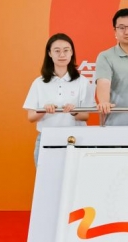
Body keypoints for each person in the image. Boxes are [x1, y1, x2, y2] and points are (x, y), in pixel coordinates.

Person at [23, 33, 91, 165]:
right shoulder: (39, 82)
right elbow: (31, 117)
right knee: (46, 177)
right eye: (57, 51)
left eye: (66, 50)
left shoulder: (82, 81)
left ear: (72, 53)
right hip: (47, 138)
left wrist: (74, 111)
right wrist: (44, 110)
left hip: (76, 139)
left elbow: (85, 116)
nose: (62, 55)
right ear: (49, 53)